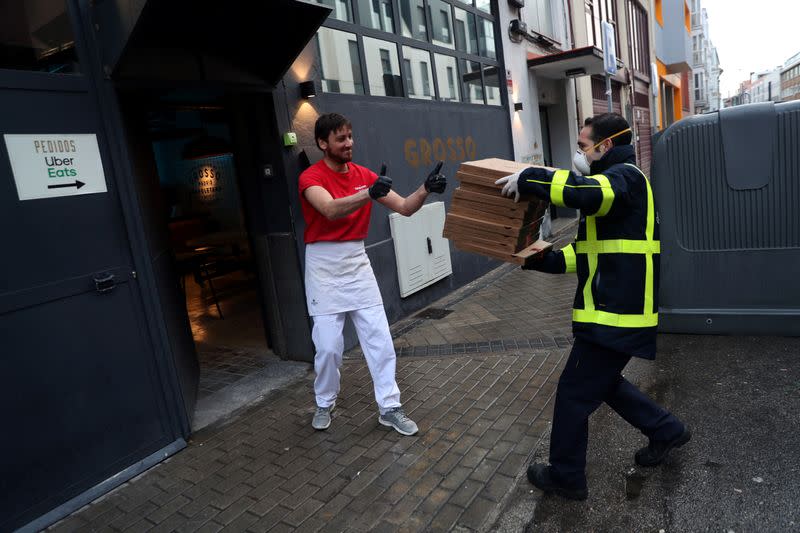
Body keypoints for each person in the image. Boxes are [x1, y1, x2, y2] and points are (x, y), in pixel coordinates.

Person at [495, 113, 690, 501]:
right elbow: (582, 255)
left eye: (584, 145)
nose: (579, 153)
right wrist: (539, 259)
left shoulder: (625, 178)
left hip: (613, 318)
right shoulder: (617, 186)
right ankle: (666, 429)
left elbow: (587, 191)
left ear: (605, 146)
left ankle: (567, 476)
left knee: (572, 393)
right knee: (603, 385)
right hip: (613, 316)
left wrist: (532, 178)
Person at [298, 112, 447, 436]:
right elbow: (329, 209)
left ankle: (390, 407)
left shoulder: (364, 175)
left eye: (350, 136)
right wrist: (369, 193)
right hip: (323, 265)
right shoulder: (311, 177)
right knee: (328, 348)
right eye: (341, 138)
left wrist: (425, 188)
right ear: (323, 143)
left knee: (379, 340)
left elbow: (406, 207)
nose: (349, 143)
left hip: (355, 261)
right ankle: (325, 402)